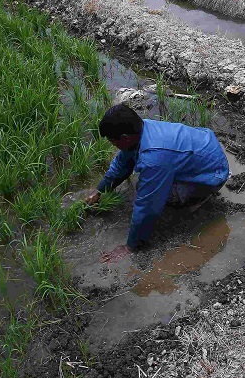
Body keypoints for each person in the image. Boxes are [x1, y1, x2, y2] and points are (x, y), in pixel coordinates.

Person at [85, 104, 229, 263]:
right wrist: (100, 190)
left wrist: (129, 247)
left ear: (125, 138)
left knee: (150, 192)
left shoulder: (154, 158)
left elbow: (147, 206)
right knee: (148, 183)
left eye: (112, 141)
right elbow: (122, 164)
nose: (112, 145)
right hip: (206, 149)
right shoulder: (141, 130)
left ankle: (200, 197)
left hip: (214, 173)